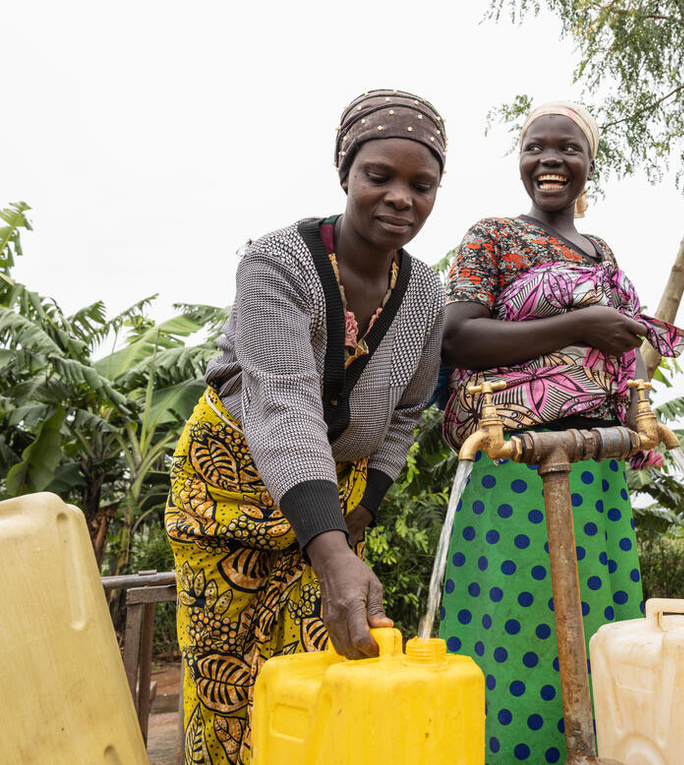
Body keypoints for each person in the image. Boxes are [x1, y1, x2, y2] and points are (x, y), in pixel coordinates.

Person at [165, 89, 446, 765]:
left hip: (334, 503)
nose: (400, 198)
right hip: (228, 489)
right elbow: (285, 406)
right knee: (228, 677)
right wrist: (332, 546)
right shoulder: (278, 264)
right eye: (380, 176)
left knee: (321, 676)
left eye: (422, 184)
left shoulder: (427, 293)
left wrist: (359, 517)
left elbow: (406, 414)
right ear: (346, 171)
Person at [438, 101, 684, 765]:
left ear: (589, 163)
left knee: (605, 620)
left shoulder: (600, 250)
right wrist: (578, 326)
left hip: (595, 462)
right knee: (521, 623)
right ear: (521, 162)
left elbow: (615, 351)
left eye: (568, 148)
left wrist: (636, 422)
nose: (551, 159)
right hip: (516, 456)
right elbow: (457, 334)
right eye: (536, 148)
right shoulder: (491, 236)